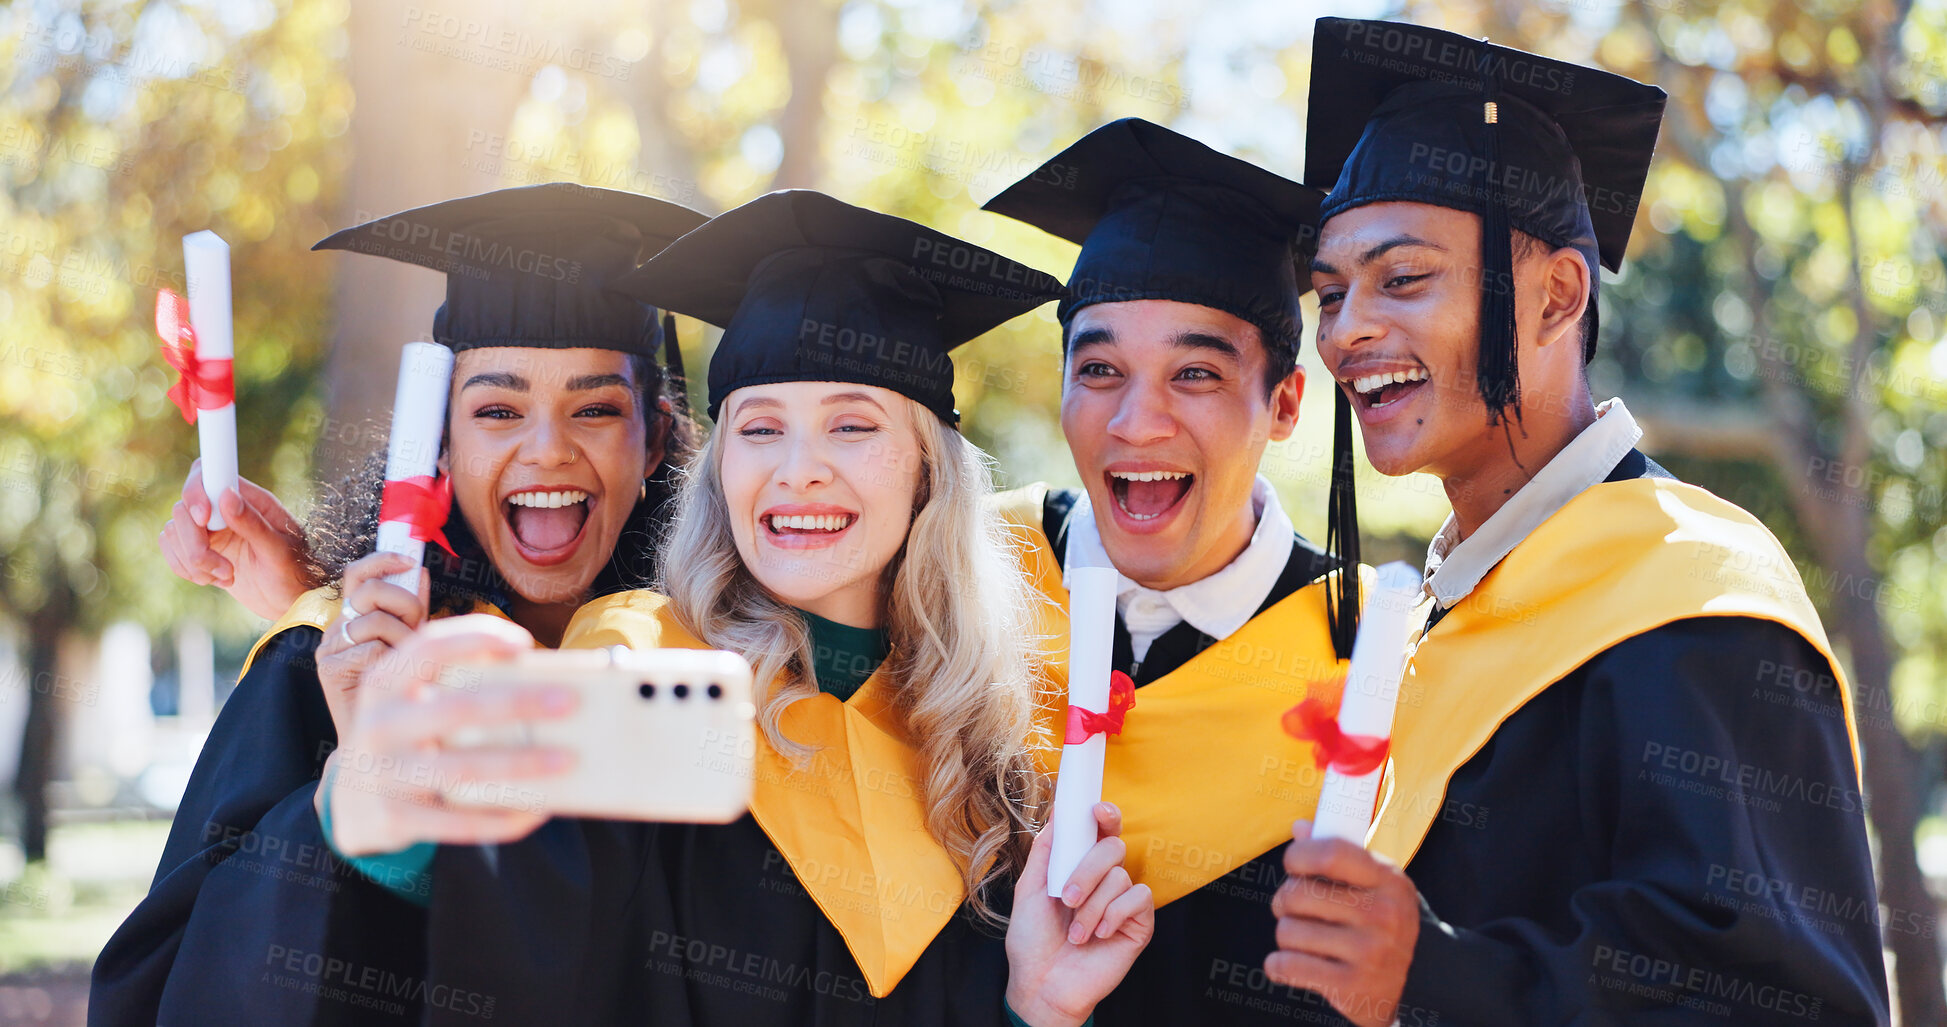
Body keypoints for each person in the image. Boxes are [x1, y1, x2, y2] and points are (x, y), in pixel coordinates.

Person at [319, 189, 1154, 1026]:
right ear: (719, 469)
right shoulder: (640, 662)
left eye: (852, 426)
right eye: (760, 429)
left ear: (925, 469)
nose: (798, 469)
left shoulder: (985, 747)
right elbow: (518, 898)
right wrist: (378, 790)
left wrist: (1035, 1008)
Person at [1263, 18, 1889, 1026]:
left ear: (1556, 292)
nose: (1346, 334)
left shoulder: (1694, 596)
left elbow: (1792, 1006)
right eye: (1331, 295)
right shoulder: (1432, 624)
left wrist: (1436, 978)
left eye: (1403, 278)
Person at [89, 182, 707, 1025]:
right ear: (440, 444)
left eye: (595, 408)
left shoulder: (713, 674)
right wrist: (343, 802)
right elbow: (158, 984)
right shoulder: (326, 661)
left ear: (657, 440)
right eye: (497, 408)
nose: (547, 447)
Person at [978, 118, 1366, 1024]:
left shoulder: (1368, 660)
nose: (1136, 422)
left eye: (1193, 373)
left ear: (1284, 404)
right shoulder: (972, 585)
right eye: (1101, 368)